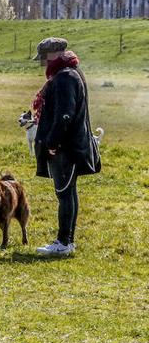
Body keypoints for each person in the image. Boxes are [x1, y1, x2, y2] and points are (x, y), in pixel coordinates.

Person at [32, 37, 100, 256]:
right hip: (71, 145)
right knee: (69, 193)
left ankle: (63, 242)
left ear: (52, 54)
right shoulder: (72, 72)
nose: (42, 63)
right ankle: (67, 242)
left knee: (64, 194)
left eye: (43, 57)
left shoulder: (64, 78)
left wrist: (53, 142)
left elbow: (65, 115)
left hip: (65, 148)